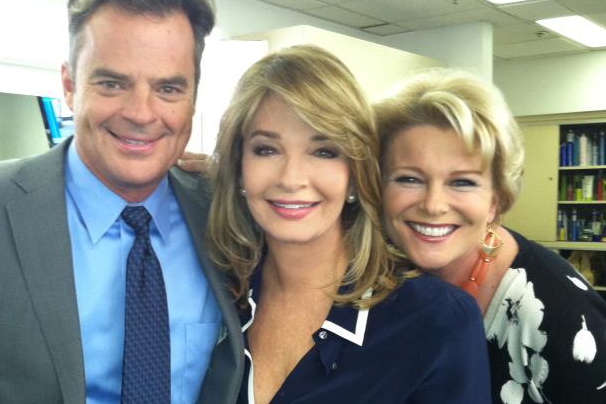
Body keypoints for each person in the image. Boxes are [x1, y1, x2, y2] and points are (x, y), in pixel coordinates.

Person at [0, 0, 243, 403]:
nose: (141, 114)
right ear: (69, 85)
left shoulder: (225, 213)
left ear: (192, 98)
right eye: (112, 83)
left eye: (168, 88)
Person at [207, 44, 492, 403]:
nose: (291, 179)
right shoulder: (216, 295)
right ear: (239, 167)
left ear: (356, 174)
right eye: (266, 149)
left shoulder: (438, 321)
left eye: (324, 151)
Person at [375, 68, 606, 404]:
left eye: (462, 182)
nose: (433, 205)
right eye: (409, 179)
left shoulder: (560, 313)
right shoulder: (370, 280)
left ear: (496, 199)